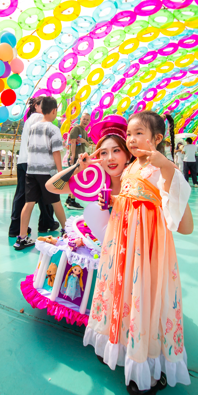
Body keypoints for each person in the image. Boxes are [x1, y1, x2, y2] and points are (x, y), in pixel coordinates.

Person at [84, 111, 193, 395]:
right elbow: (131, 198)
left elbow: (182, 219)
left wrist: (166, 166)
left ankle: (146, 365)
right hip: (123, 245)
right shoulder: (131, 167)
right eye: (129, 134)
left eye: (138, 133)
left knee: (144, 295)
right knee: (124, 293)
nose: (131, 139)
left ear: (157, 138)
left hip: (148, 249)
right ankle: (118, 345)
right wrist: (112, 199)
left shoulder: (163, 168)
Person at [21, 115, 131, 326]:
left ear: (127, 153)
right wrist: (77, 168)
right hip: (101, 238)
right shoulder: (98, 180)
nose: (110, 158)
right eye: (104, 152)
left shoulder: (135, 181)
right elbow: (51, 186)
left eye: (116, 150)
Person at [15, 96, 67, 251]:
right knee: (56, 201)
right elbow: (56, 152)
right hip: (46, 172)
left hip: (31, 171)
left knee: (29, 203)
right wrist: (60, 172)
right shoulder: (53, 129)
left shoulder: (32, 128)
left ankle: (21, 237)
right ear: (54, 111)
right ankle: (66, 230)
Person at [8, 97, 58, 238]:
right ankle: (46, 222)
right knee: (47, 191)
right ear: (36, 106)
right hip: (35, 161)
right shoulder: (38, 118)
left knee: (22, 195)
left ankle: (16, 227)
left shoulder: (30, 119)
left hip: (23, 161)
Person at [65, 111, 91, 211]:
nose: (85, 121)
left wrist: (84, 141)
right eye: (84, 119)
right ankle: (72, 201)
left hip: (80, 158)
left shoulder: (85, 132)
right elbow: (73, 142)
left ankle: (68, 199)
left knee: (73, 179)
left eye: (87, 120)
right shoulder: (76, 129)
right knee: (75, 179)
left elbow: (88, 144)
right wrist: (73, 156)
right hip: (76, 158)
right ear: (80, 119)